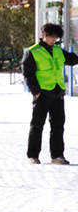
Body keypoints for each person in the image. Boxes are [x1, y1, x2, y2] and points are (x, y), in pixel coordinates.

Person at [22, 23, 78, 165]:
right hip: (42, 94)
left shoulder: (58, 50)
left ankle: (57, 155)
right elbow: (28, 74)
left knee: (58, 126)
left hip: (57, 93)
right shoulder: (33, 51)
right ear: (44, 35)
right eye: (52, 37)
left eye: (56, 38)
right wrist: (36, 92)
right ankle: (33, 155)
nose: (54, 40)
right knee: (37, 125)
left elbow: (72, 59)